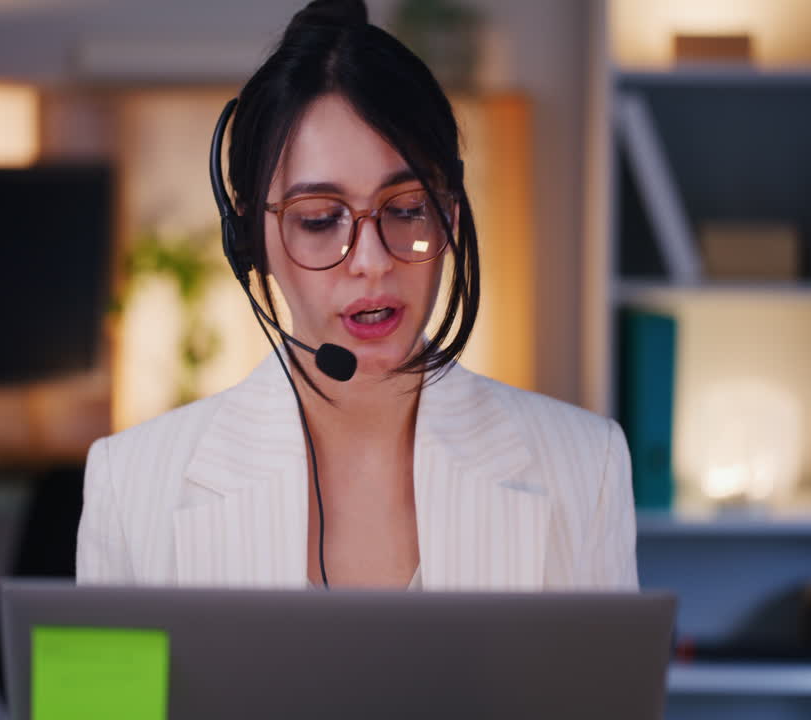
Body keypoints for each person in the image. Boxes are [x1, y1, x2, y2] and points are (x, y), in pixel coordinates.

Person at [76, 0, 637, 592]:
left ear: (450, 214)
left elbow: (604, 690)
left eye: (406, 209)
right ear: (249, 240)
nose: (371, 262)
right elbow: (103, 693)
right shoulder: (130, 484)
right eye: (320, 219)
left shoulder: (585, 467)